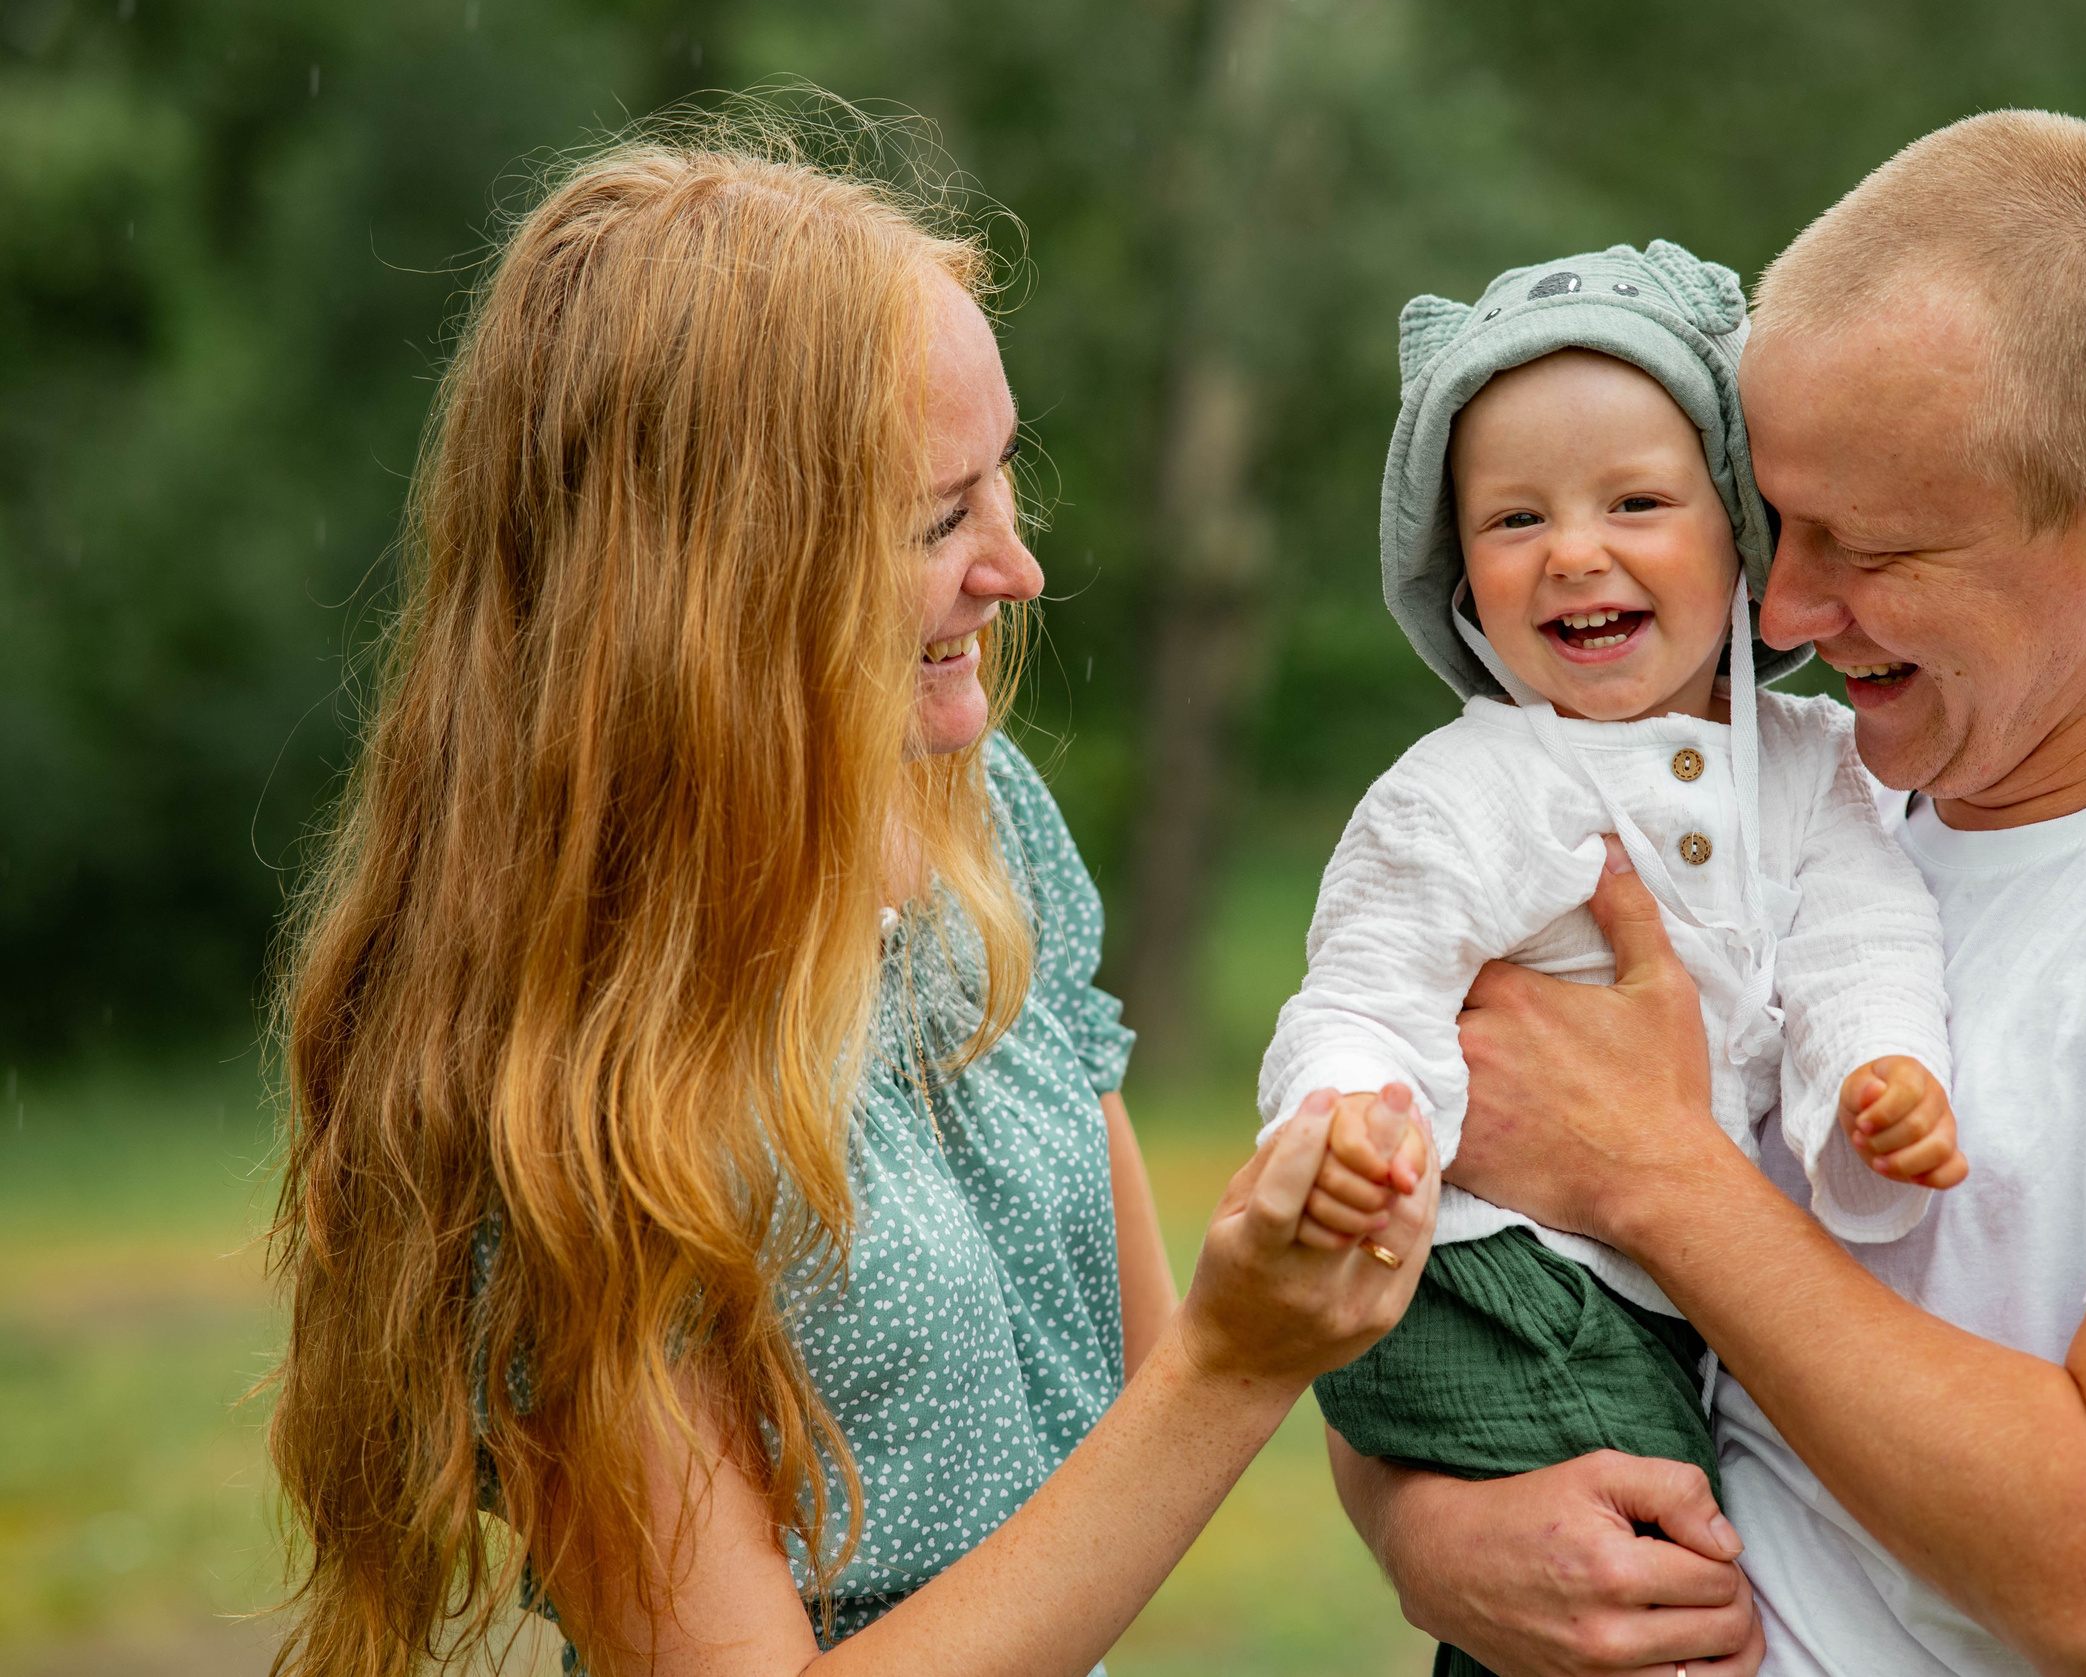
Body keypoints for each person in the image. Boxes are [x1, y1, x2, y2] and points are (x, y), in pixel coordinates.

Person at [1331, 110, 2086, 1676]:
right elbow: (1459, 1266)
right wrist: (1433, 1541)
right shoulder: (1799, 796)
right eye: (1775, 522)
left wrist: (1656, 1168)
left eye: (1869, 545)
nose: (1780, 605)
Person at [262, 116, 1434, 1677]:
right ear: (721, 585)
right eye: (939, 516)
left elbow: (1133, 1404)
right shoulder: (570, 1085)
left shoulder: (976, 825)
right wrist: (1232, 1364)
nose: (1017, 566)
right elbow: (1187, 1389)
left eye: (1002, 476)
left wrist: (1329, 1318)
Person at [1259, 244, 1966, 1675]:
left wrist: (1878, 1080)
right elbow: (1371, 974)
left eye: (1635, 502)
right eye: (1516, 519)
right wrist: (1348, 1118)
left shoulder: (1813, 768)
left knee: (1618, 1574)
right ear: (1463, 584)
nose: (1575, 550)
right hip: (1493, 1272)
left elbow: (1862, 939)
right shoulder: (1472, 784)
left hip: (1648, 1302)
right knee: (1652, 1565)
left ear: (1739, 537)